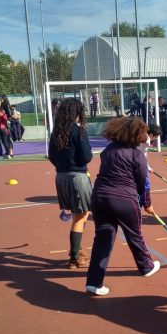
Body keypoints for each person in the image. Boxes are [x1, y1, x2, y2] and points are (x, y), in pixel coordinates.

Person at [85, 117, 160, 296]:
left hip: (99, 198)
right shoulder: (137, 155)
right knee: (135, 234)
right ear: (136, 134)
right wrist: (146, 202)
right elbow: (143, 184)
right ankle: (146, 266)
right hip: (123, 200)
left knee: (102, 238)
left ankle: (94, 283)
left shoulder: (108, 150)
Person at [48, 98, 93, 269]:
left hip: (61, 176)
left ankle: (77, 249)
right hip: (77, 177)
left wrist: (63, 165)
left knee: (78, 216)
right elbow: (87, 156)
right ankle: (74, 257)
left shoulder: (57, 132)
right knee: (80, 217)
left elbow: (52, 156)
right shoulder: (78, 130)